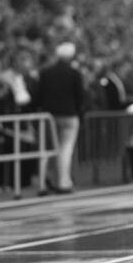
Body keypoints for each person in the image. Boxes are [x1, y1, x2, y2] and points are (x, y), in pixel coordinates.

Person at [35, 42, 86, 194]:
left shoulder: (46, 72)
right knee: (65, 150)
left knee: (47, 150)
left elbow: (38, 95)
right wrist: (80, 113)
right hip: (69, 115)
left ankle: (43, 183)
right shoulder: (74, 73)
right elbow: (80, 97)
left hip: (49, 115)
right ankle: (63, 182)